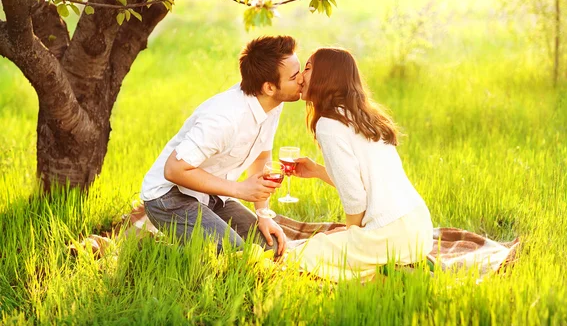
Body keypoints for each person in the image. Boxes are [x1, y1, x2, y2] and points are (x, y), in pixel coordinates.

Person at [141, 36, 303, 256]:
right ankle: (157, 251)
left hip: (212, 196)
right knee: (235, 253)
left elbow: (261, 157)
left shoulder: (273, 104)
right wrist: (240, 189)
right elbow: (174, 169)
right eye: (294, 77)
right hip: (168, 198)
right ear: (269, 87)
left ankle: (187, 239)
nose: (302, 79)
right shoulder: (224, 118)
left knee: (271, 248)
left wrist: (263, 215)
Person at [289, 47, 434, 281]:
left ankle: (394, 276)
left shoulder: (329, 125)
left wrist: (352, 235)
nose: (300, 76)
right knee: (337, 251)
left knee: (302, 255)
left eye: (307, 68)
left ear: (327, 75)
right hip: (419, 228)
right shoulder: (363, 116)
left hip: (390, 234)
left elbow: (355, 197)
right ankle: (401, 266)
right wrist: (317, 171)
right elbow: (364, 182)